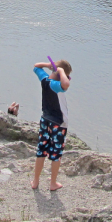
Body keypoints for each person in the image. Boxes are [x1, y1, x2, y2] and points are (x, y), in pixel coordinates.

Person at [31, 59, 72, 191]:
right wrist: (60, 71)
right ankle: (53, 183)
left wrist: (48, 66)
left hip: (45, 119)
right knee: (56, 154)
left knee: (41, 150)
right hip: (58, 123)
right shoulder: (56, 85)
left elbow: (36, 66)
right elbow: (66, 84)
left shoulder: (45, 80)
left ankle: (36, 181)